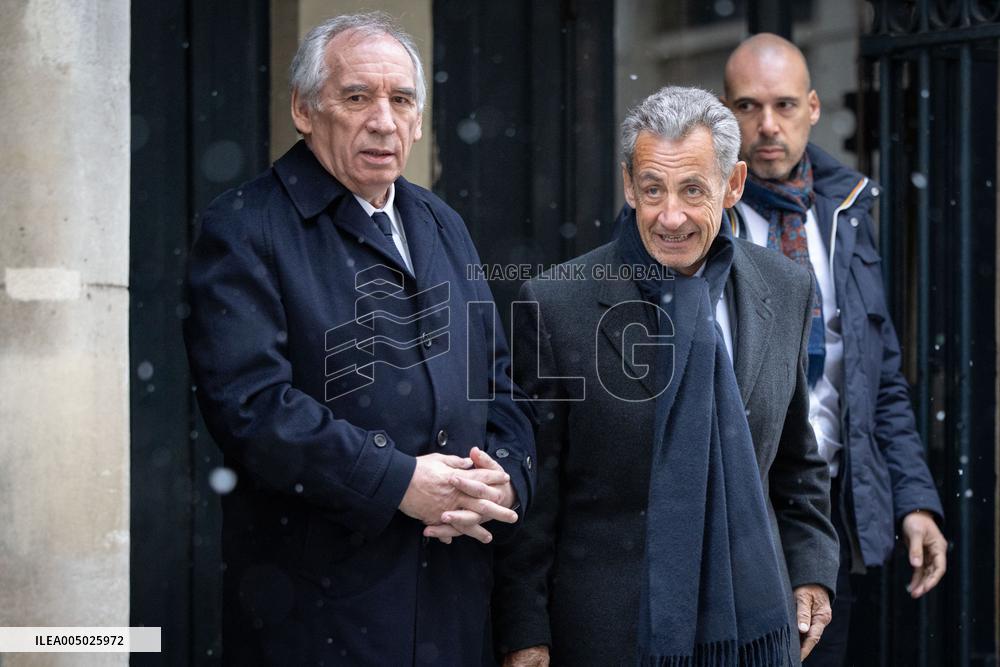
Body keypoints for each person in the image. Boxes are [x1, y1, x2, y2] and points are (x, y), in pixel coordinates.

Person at [183, 12, 535, 666]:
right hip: (320, 619)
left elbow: (498, 382)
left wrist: (508, 479)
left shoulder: (442, 222)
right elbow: (253, 409)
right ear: (304, 109)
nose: (383, 119)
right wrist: (397, 479)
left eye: (401, 99)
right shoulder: (244, 227)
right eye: (357, 97)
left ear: (421, 119)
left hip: (455, 610)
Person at [493, 86, 839, 667]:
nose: (669, 216)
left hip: (757, 630)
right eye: (652, 189)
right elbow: (536, 493)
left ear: (733, 185)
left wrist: (810, 572)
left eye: (692, 190)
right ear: (629, 185)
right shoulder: (557, 304)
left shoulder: (785, 288)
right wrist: (525, 634)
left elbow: (796, 465)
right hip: (610, 636)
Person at [721, 33, 946, 665]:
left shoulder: (847, 212)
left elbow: (880, 378)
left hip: (831, 510)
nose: (768, 126)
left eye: (785, 105)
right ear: (724, 109)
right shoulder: (698, 217)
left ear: (813, 108)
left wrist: (914, 499)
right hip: (736, 508)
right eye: (748, 106)